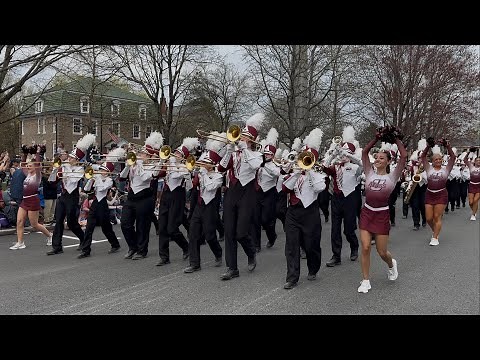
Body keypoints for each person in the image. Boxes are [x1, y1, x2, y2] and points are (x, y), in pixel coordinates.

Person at [357, 127, 407, 293]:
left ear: (388, 161)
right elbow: (364, 153)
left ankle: (392, 264)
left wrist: (396, 139)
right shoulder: (369, 172)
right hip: (367, 213)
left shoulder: (392, 177)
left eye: (381, 158)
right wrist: (375, 139)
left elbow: (404, 156)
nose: (377, 160)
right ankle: (365, 280)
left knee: (382, 252)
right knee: (365, 247)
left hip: (382, 215)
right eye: (376, 157)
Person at [217, 113, 264, 280]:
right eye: (241, 136)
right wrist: (229, 151)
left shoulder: (256, 154)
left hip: (247, 192)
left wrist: (244, 149)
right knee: (229, 231)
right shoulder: (234, 153)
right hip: (232, 192)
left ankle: (251, 252)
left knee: (241, 232)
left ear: (251, 140)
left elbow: (255, 166)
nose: (241, 139)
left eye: (245, 137)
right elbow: (221, 168)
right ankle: (232, 268)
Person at [282, 129, 327, 289]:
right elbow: (285, 188)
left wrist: (310, 172)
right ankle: (292, 277)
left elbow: (320, 188)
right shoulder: (294, 173)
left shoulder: (319, 175)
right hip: (293, 212)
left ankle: (313, 268)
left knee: (311, 245)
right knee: (291, 245)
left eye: (308, 159)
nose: (305, 161)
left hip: (310, 213)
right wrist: (296, 173)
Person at [47, 134, 95, 255]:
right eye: (69, 157)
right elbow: (52, 181)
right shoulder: (63, 167)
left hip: (73, 197)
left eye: (72, 158)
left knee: (72, 223)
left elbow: (74, 180)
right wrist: (54, 169)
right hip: (63, 196)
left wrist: (65, 171)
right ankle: (57, 246)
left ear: (77, 160)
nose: (69, 159)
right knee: (58, 221)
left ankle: (83, 238)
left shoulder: (80, 170)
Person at [323, 126, 363, 267]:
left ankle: (354, 246)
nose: (343, 155)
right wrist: (334, 153)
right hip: (336, 199)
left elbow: (362, 164)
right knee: (335, 229)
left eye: (346, 153)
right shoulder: (335, 166)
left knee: (348, 229)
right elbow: (324, 166)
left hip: (350, 199)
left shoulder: (355, 167)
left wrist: (349, 156)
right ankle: (336, 255)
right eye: (343, 153)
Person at [184, 137, 225, 273]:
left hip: (210, 206)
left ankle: (218, 252)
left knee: (209, 235)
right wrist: (194, 175)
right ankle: (195, 263)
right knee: (193, 233)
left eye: (204, 163)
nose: (201, 165)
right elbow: (194, 186)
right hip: (199, 206)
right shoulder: (201, 173)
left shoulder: (218, 176)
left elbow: (210, 187)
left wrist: (204, 175)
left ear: (212, 164)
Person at [120, 131, 163, 260]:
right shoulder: (134, 164)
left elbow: (146, 178)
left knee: (142, 226)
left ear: (149, 156)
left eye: (143, 154)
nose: (140, 155)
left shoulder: (151, 166)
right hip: (132, 197)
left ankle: (142, 250)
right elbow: (122, 177)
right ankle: (133, 247)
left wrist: (139, 167)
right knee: (125, 223)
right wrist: (128, 166)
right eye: (140, 153)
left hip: (145, 197)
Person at [156, 137, 198, 266]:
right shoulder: (169, 165)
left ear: (183, 157)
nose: (174, 155)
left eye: (178, 153)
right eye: (175, 152)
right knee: (162, 227)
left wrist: (172, 163)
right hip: (166, 195)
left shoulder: (184, 168)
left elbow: (175, 175)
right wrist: (162, 161)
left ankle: (186, 247)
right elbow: (156, 174)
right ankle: (164, 256)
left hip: (177, 196)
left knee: (172, 228)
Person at [77, 148, 124, 258]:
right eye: (101, 169)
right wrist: (91, 179)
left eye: (104, 170)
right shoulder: (96, 178)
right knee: (89, 227)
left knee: (106, 228)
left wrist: (96, 179)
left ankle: (115, 244)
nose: (101, 171)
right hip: (95, 204)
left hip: (102, 205)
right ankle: (86, 250)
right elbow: (87, 189)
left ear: (108, 172)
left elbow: (103, 189)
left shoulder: (109, 180)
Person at [10, 145, 53, 250]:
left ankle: (50, 236)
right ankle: (20, 242)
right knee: (19, 221)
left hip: (33, 200)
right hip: (25, 200)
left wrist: (37, 152)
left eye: (30, 165)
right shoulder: (27, 174)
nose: (28, 167)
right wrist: (25, 154)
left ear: (35, 167)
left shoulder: (37, 175)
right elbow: (23, 163)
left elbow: (38, 163)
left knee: (35, 225)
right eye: (28, 165)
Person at [421, 138, 456, 246]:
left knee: (437, 216)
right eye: (436, 159)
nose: (438, 161)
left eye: (440, 159)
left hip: (441, 194)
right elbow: (423, 156)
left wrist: (447, 146)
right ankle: (435, 230)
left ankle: (435, 237)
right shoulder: (428, 168)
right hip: (429, 194)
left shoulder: (446, 169)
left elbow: (453, 157)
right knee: (428, 218)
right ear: (432, 161)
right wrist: (428, 146)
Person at [251, 128, 280, 251]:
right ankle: (256, 244)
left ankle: (272, 236)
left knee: (266, 219)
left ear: (273, 156)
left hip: (269, 193)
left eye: (269, 154)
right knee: (255, 219)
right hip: (257, 193)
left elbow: (276, 174)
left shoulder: (275, 165)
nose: (266, 156)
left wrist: (264, 165)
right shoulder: (259, 162)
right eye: (265, 154)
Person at [464, 147, 480, 221]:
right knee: (471, 202)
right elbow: (465, 160)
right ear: (475, 161)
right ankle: (474, 210)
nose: (478, 162)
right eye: (477, 160)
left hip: (478, 186)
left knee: (475, 200)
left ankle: (473, 214)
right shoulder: (471, 166)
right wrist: (469, 152)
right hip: (471, 185)